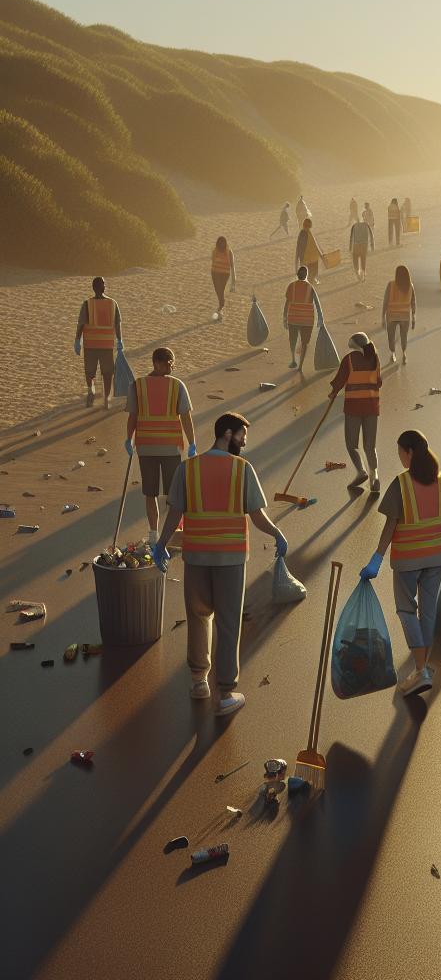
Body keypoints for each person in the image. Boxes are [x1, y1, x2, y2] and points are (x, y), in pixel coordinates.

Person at [153, 412, 288, 717]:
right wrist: (277, 532)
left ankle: (199, 680)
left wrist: (161, 544)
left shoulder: (188, 469)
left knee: (199, 616)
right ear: (227, 433)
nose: (244, 440)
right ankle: (225, 693)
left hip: (197, 556)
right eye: (242, 434)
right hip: (230, 557)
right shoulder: (242, 469)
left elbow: (175, 513)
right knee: (228, 623)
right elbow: (256, 515)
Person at [360, 430, 441, 696]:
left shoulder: (401, 484)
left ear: (409, 452)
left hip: (408, 560)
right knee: (428, 613)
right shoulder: (439, 481)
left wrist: (377, 558)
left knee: (407, 611)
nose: (399, 457)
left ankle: (420, 670)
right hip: (436, 557)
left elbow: (390, 525)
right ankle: (425, 665)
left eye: (400, 452)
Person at [125, 346, 197, 545]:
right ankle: (158, 533)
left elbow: (133, 416)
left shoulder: (139, 385)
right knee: (166, 493)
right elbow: (185, 417)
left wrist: (192, 442)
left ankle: (160, 533)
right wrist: (128, 437)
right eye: (168, 363)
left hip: (150, 446)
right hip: (166, 447)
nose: (171, 366)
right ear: (156, 363)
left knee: (154, 493)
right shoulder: (174, 386)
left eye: (172, 363)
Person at [329, 332, 382, 493]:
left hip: (353, 407)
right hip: (372, 407)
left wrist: (333, 393)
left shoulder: (349, 359)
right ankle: (375, 477)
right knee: (370, 446)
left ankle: (361, 471)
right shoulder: (375, 358)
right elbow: (378, 382)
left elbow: (339, 381)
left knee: (352, 444)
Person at [74, 275, 123, 409]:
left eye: (103, 284)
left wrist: (120, 340)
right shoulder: (87, 304)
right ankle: (91, 391)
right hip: (92, 345)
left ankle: (106, 398)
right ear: (95, 287)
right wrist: (77, 340)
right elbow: (81, 324)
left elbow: (117, 324)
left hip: (105, 345)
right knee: (90, 371)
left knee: (107, 372)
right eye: (101, 284)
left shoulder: (112, 303)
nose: (103, 286)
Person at [283, 266, 324, 371]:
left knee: (293, 339)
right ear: (306, 275)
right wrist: (320, 318)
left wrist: (284, 318)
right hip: (307, 320)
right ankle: (300, 366)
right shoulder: (310, 287)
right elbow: (317, 304)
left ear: (297, 274)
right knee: (305, 342)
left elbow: (287, 304)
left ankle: (293, 360)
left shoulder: (291, 286)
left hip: (293, 318)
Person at [382, 264, 416, 364]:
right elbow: (413, 302)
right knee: (403, 336)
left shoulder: (391, 285)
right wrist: (413, 317)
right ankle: (404, 353)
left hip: (391, 316)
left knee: (391, 336)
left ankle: (393, 354)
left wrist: (382, 317)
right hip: (405, 316)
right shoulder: (410, 286)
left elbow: (385, 301)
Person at [210, 236, 235, 321]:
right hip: (215, 273)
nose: (222, 244)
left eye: (223, 242)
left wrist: (234, 280)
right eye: (220, 242)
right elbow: (213, 261)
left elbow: (232, 266)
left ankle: (221, 306)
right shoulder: (215, 251)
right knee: (218, 290)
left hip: (225, 274)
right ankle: (221, 306)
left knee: (221, 290)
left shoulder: (229, 252)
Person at [295, 217, 324, 285]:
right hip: (307, 258)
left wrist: (320, 254)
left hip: (313, 258)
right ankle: (310, 283)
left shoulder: (309, 232)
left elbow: (315, 244)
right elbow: (299, 247)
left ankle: (312, 281)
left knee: (314, 272)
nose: (308, 228)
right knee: (309, 273)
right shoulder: (302, 234)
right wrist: (298, 259)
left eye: (308, 227)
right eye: (307, 226)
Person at [349, 213, 374, 280]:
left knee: (355, 260)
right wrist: (372, 245)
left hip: (356, 245)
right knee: (363, 259)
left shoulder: (354, 226)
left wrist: (350, 248)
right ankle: (363, 274)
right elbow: (371, 236)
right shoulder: (366, 225)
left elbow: (351, 237)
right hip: (364, 245)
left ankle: (357, 274)